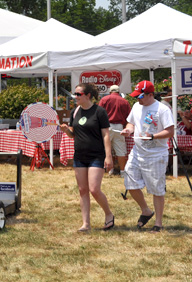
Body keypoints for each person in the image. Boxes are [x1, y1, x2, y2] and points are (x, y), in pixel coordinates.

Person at [120, 80, 175, 232]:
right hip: (137, 152)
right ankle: (146, 210)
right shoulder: (137, 106)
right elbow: (130, 123)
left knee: (156, 190)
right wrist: (128, 130)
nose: (138, 99)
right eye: (136, 96)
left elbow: (170, 131)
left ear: (150, 95)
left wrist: (153, 136)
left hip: (156, 155)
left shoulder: (162, 109)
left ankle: (158, 223)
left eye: (140, 96)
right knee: (129, 182)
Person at [59, 83, 115, 232]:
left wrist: (108, 156)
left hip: (96, 155)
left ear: (88, 95)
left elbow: (106, 135)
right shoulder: (75, 111)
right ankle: (86, 224)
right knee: (83, 190)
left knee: (94, 189)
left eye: (78, 94)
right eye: (75, 94)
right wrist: (66, 131)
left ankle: (109, 214)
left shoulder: (99, 112)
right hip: (80, 155)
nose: (75, 97)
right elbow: (73, 134)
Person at [98, 85, 132, 177]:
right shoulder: (125, 101)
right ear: (119, 92)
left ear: (110, 91)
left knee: (107, 149)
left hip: (106, 126)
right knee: (120, 150)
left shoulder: (104, 99)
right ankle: (122, 172)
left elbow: (98, 113)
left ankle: (110, 169)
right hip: (119, 127)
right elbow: (129, 117)